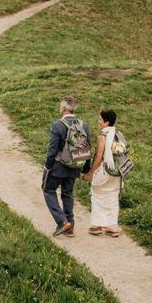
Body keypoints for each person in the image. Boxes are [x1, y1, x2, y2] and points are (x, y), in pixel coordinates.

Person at [42, 95, 91, 237]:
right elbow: (87, 148)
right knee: (67, 194)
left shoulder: (57, 125)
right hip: (75, 165)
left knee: (48, 190)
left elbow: (52, 149)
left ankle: (62, 221)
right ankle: (70, 227)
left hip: (57, 166)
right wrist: (85, 169)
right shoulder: (84, 125)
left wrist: (47, 166)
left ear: (63, 108)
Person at [81, 109, 121, 236]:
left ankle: (96, 226)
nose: (98, 122)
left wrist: (89, 173)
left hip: (103, 172)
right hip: (115, 173)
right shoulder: (118, 135)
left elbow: (98, 159)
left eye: (100, 120)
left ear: (106, 122)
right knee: (112, 198)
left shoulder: (102, 137)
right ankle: (112, 226)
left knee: (97, 197)